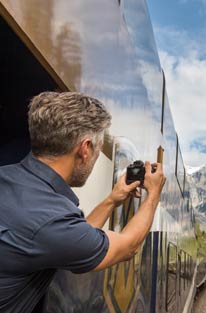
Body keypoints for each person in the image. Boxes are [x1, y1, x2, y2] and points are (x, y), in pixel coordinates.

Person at [0, 92, 166, 313]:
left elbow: (74, 234)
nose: (97, 156)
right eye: (98, 148)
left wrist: (111, 200)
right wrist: (153, 194)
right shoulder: (51, 221)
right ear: (85, 149)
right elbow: (127, 247)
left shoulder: (10, 178)